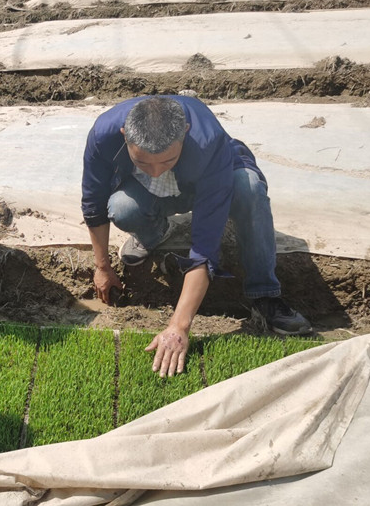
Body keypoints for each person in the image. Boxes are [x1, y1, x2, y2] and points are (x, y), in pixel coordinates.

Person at [81, 95, 312, 377]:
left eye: (167, 160)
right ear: (124, 135)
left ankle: (265, 295)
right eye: (143, 162)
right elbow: (93, 203)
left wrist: (178, 327)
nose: (157, 171)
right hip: (150, 189)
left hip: (211, 177)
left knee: (249, 189)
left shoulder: (208, 140)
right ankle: (157, 232)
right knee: (121, 208)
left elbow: (204, 247)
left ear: (185, 133)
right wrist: (102, 267)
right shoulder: (103, 134)